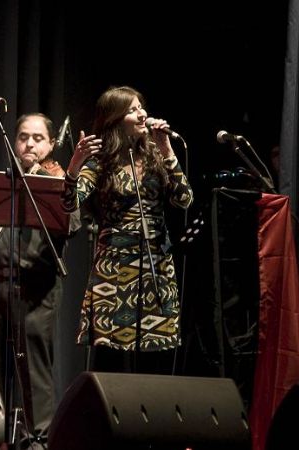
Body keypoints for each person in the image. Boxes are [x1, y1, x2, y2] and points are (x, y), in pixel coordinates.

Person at [0, 113, 80, 444]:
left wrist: (55, 187)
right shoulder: (2, 182)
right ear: (14, 141)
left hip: (37, 290)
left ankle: (39, 439)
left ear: (51, 144)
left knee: (35, 373)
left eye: (38, 138)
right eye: (24, 137)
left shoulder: (59, 184)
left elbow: (75, 225)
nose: (29, 144)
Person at [61, 85, 193, 374]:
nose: (142, 113)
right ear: (115, 119)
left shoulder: (156, 156)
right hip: (114, 269)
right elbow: (70, 202)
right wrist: (74, 166)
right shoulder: (100, 162)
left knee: (154, 360)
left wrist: (167, 149)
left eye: (141, 107)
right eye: (133, 109)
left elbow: (184, 199)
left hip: (156, 264)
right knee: (113, 364)